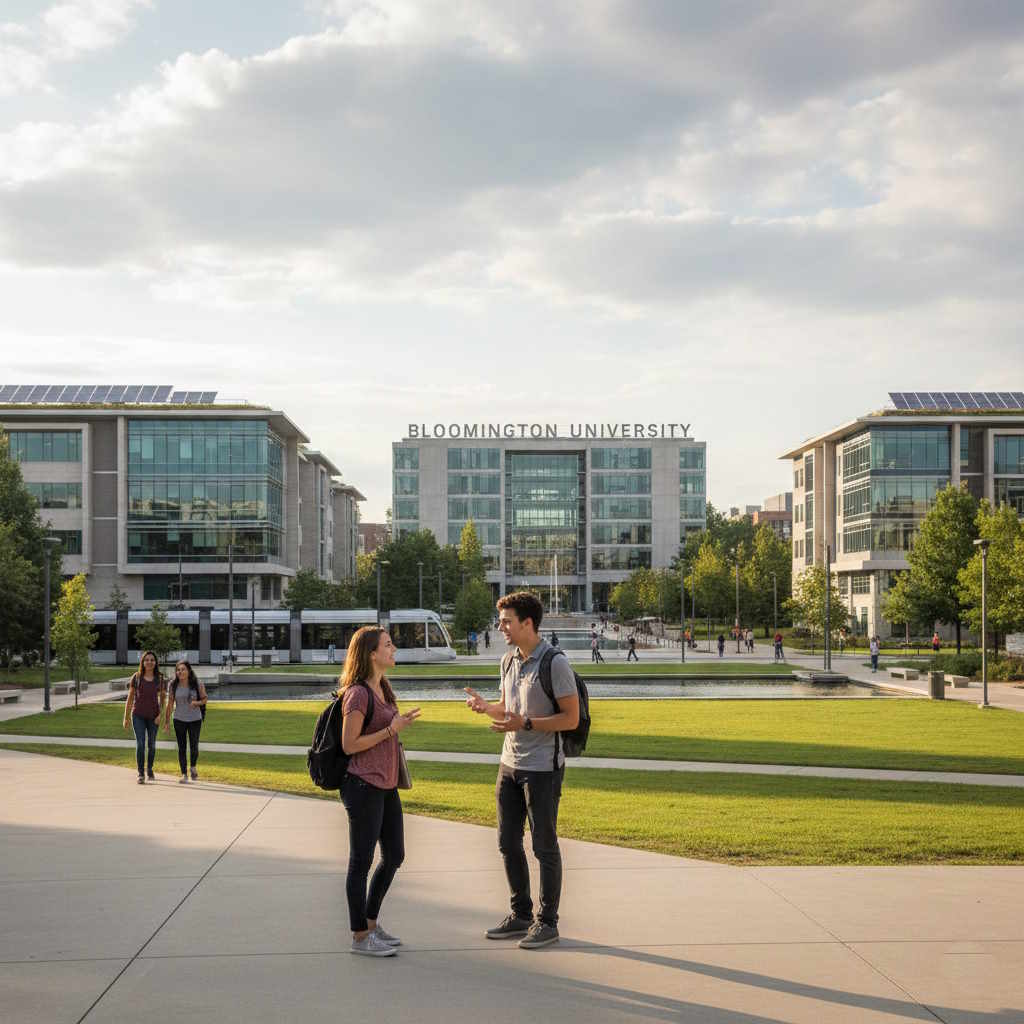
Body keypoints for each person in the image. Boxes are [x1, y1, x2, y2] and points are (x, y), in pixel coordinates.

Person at [464, 591, 579, 951]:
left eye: (507, 621)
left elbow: (570, 718)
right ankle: (521, 914)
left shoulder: (554, 663)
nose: (501, 627)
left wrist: (524, 722)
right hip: (509, 764)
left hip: (542, 768)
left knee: (544, 846)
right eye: (501, 621)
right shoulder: (508, 661)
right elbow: (508, 709)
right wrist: (488, 708)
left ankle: (548, 923)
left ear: (528, 623)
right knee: (506, 842)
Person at [339, 626, 421, 958]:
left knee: (395, 855)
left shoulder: (384, 688)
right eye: (388, 645)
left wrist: (395, 726)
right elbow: (349, 744)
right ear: (371, 654)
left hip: (386, 786)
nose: (394, 649)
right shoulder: (357, 694)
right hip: (363, 785)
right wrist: (392, 729)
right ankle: (360, 936)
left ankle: (371, 923)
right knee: (361, 861)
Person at [122, 650, 165, 784]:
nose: (150, 662)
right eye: (147, 660)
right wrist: (126, 717)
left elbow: (163, 699)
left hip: (154, 717)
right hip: (138, 715)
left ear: (155, 662)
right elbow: (130, 698)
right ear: (143, 662)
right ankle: (141, 773)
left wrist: (160, 715)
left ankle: (150, 769)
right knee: (141, 744)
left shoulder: (160, 678)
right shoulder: (136, 677)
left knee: (151, 745)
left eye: (152, 660)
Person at [163, 659, 207, 782]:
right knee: (181, 748)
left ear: (188, 671)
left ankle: (193, 767)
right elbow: (170, 704)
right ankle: (184, 774)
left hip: (195, 719)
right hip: (179, 719)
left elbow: (204, 699)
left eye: (183, 669)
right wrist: (167, 722)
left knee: (194, 746)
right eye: (178, 670)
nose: (180, 672)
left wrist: (197, 703)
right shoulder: (172, 685)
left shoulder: (197, 683)